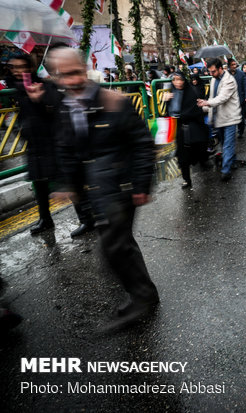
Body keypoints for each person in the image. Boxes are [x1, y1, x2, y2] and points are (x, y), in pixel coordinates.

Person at [47, 47, 159, 323]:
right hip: (95, 191)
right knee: (118, 247)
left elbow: (143, 145)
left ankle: (142, 299)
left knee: (114, 248)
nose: (71, 81)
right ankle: (145, 295)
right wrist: (68, 183)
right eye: (64, 75)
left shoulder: (114, 101)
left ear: (84, 70)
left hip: (119, 187)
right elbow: (65, 147)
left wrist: (141, 186)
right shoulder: (64, 106)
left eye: (75, 73)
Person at [6, 52, 95, 237]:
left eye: (22, 67)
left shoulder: (43, 85)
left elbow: (55, 109)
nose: (18, 71)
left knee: (70, 181)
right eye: (14, 67)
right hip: (34, 143)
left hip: (52, 141)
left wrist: (38, 100)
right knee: (39, 184)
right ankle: (45, 219)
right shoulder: (13, 88)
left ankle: (86, 218)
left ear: (30, 67)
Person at [198, 58, 241, 181]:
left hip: (230, 118)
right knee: (224, 143)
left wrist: (206, 103)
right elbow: (213, 97)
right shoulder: (213, 79)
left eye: (213, 71)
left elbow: (222, 98)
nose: (211, 74)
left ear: (221, 68)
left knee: (228, 144)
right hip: (219, 117)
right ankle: (232, 161)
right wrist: (206, 107)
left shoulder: (229, 80)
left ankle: (225, 170)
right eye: (210, 71)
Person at [163, 72, 209, 189]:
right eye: (175, 80)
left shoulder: (191, 92)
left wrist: (182, 115)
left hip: (192, 128)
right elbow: (166, 113)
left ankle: (202, 161)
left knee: (195, 152)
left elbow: (194, 111)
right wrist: (165, 101)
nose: (178, 82)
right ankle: (186, 179)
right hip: (179, 130)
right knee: (182, 156)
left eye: (180, 80)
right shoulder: (171, 94)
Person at [228, 58, 246, 139]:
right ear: (229, 66)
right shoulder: (226, 74)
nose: (234, 66)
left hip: (240, 100)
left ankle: (240, 131)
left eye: (235, 64)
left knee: (241, 117)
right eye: (232, 65)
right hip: (229, 101)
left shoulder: (241, 74)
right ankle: (232, 132)